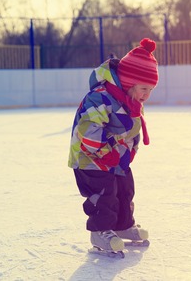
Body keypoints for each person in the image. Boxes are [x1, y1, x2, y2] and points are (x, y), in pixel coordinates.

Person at [68, 38, 158, 252]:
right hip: (88, 158)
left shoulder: (132, 102)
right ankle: (100, 232)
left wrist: (129, 152)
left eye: (151, 90)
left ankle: (123, 225)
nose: (147, 95)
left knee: (126, 188)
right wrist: (104, 153)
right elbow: (87, 128)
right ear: (129, 83)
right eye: (144, 88)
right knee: (104, 192)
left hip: (114, 158)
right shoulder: (100, 98)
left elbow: (133, 130)